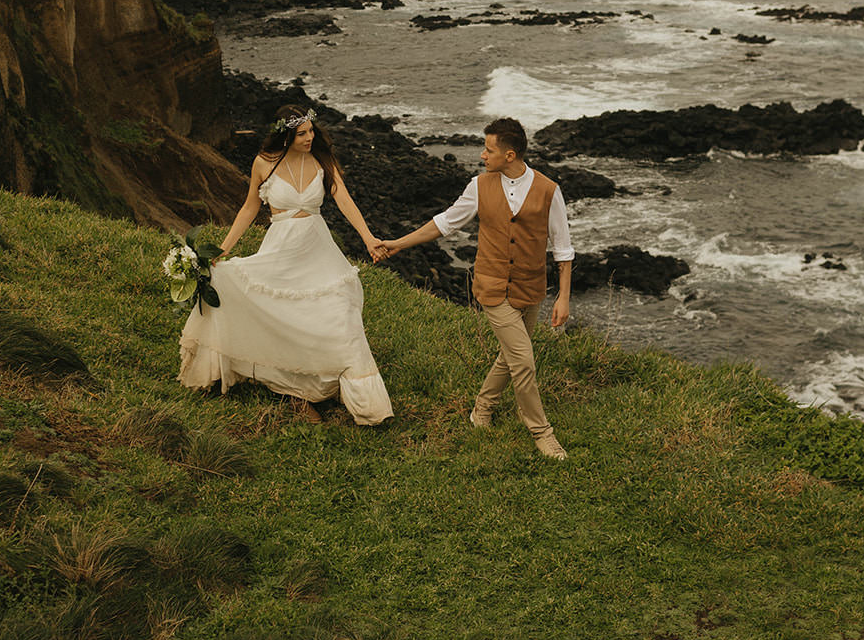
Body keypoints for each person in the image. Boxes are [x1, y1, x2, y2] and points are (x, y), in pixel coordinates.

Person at [177, 106, 393, 425]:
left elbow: (344, 199)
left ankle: (369, 405)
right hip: (281, 252)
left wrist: (368, 237)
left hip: (319, 250)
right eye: (302, 133)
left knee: (340, 315)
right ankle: (293, 392)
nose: (310, 137)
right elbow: (250, 208)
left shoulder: (322, 160)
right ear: (286, 135)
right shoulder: (264, 163)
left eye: (311, 131)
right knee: (278, 314)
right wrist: (222, 249)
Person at [379, 118, 573, 459]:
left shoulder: (549, 190)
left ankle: (482, 407)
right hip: (492, 285)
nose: (483, 155)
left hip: (530, 286)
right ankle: (541, 432)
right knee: (524, 360)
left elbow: (563, 248)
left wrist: (564, 297)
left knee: (511, 354)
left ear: (509, 155)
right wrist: (399, 243)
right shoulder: (478, 186)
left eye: (489, 149)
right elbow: (445, 222)